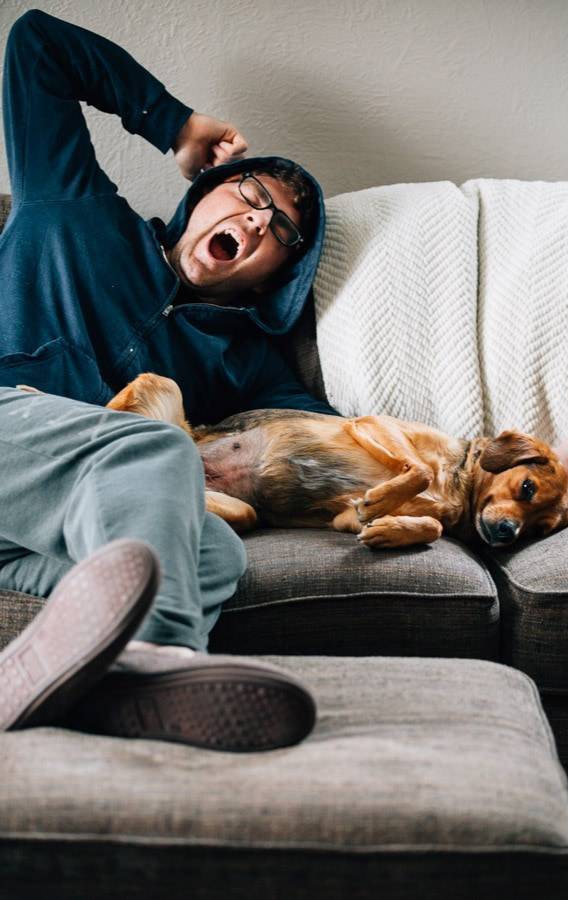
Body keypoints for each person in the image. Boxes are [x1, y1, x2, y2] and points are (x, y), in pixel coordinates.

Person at [0, 9, 334, 752]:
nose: (253, 226)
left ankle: (61, 679)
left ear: (275, 277)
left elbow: (342, 445)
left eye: (278, 234)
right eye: (249, 199)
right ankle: (163, 664)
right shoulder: (74, 209)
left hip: (17, 531)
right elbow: (37, 45)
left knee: (218, 552)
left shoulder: (242, 360)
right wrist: (174, 122)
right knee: (156, 451)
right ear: (207, 192)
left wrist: (511, 471)